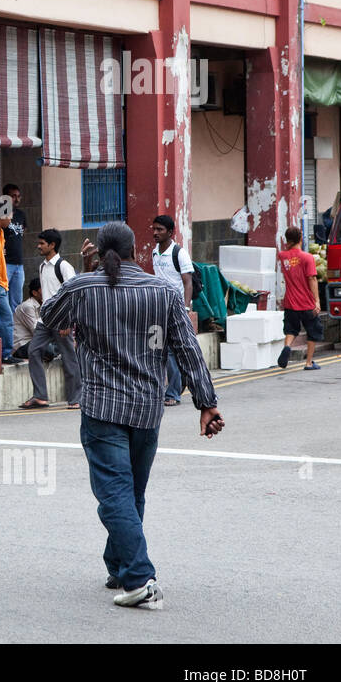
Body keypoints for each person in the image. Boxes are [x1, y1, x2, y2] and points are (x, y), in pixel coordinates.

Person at [40, 221, 222, 610]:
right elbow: (187, 348)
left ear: (99, 250)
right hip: (147, 408)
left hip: (102, 409)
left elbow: (49, 316)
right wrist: (206, 403)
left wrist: (85, 274)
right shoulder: (162, 291)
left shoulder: (83, 288)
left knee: (115, 493)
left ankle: (139, 577)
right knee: (130, 491)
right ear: (135, 251)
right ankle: (120, 566)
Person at [20, 229, 82, 409]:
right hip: (45, 320)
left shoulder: (64, 266)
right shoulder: (42, 267)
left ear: (52, 245)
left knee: (69, 358)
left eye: (42, 243)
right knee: (33, 351)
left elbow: (74, 293)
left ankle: (76, 399)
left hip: (62, 320)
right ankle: (40, 396)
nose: (38, 246)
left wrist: (68, 321)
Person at [151, 215, 194, 407]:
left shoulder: (179, 253)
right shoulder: (155, 252)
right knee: (157, 348)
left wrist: (185, 308)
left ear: (170, 232)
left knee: (171, 352)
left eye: (160, 230)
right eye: (154, 229)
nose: (155, 233)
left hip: (175, 309)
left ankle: (173, 393)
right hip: (158, 308)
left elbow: (187, 282)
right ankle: (167, 387)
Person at [277, 226, 324, 371]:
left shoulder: (282, 256)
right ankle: (309, 363)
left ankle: (287, 347)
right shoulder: (307, 257)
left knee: (291, 329)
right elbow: (312, 279)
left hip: (290, 302)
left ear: (287, 239)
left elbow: (288, 255)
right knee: (313, 331)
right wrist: (317, 301)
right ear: (301, 238)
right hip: (307, 303)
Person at [0, 205, 19, 364]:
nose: (10, 220)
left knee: (2, 319)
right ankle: (6, 353)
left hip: (2, 282)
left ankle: (4, 352)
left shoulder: (1, 233)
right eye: (9, 216)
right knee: (6, 318)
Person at [1, 183, 28, 320]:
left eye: (18, 196)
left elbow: (24, 232)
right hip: (5, 263)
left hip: (19, 263)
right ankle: (6, 326)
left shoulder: (21, 215)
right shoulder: (1, 214)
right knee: (3, 298)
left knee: (16, 300)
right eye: (13, 196)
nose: (16, 199)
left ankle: (15, 327)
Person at [11, 276, 43, 360]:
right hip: (21, 346)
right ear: (35, 293)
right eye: (44, 288)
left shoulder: (42, 305)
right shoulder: (28, 306)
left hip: (34, 342)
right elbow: (37, 332)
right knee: (49, 349)